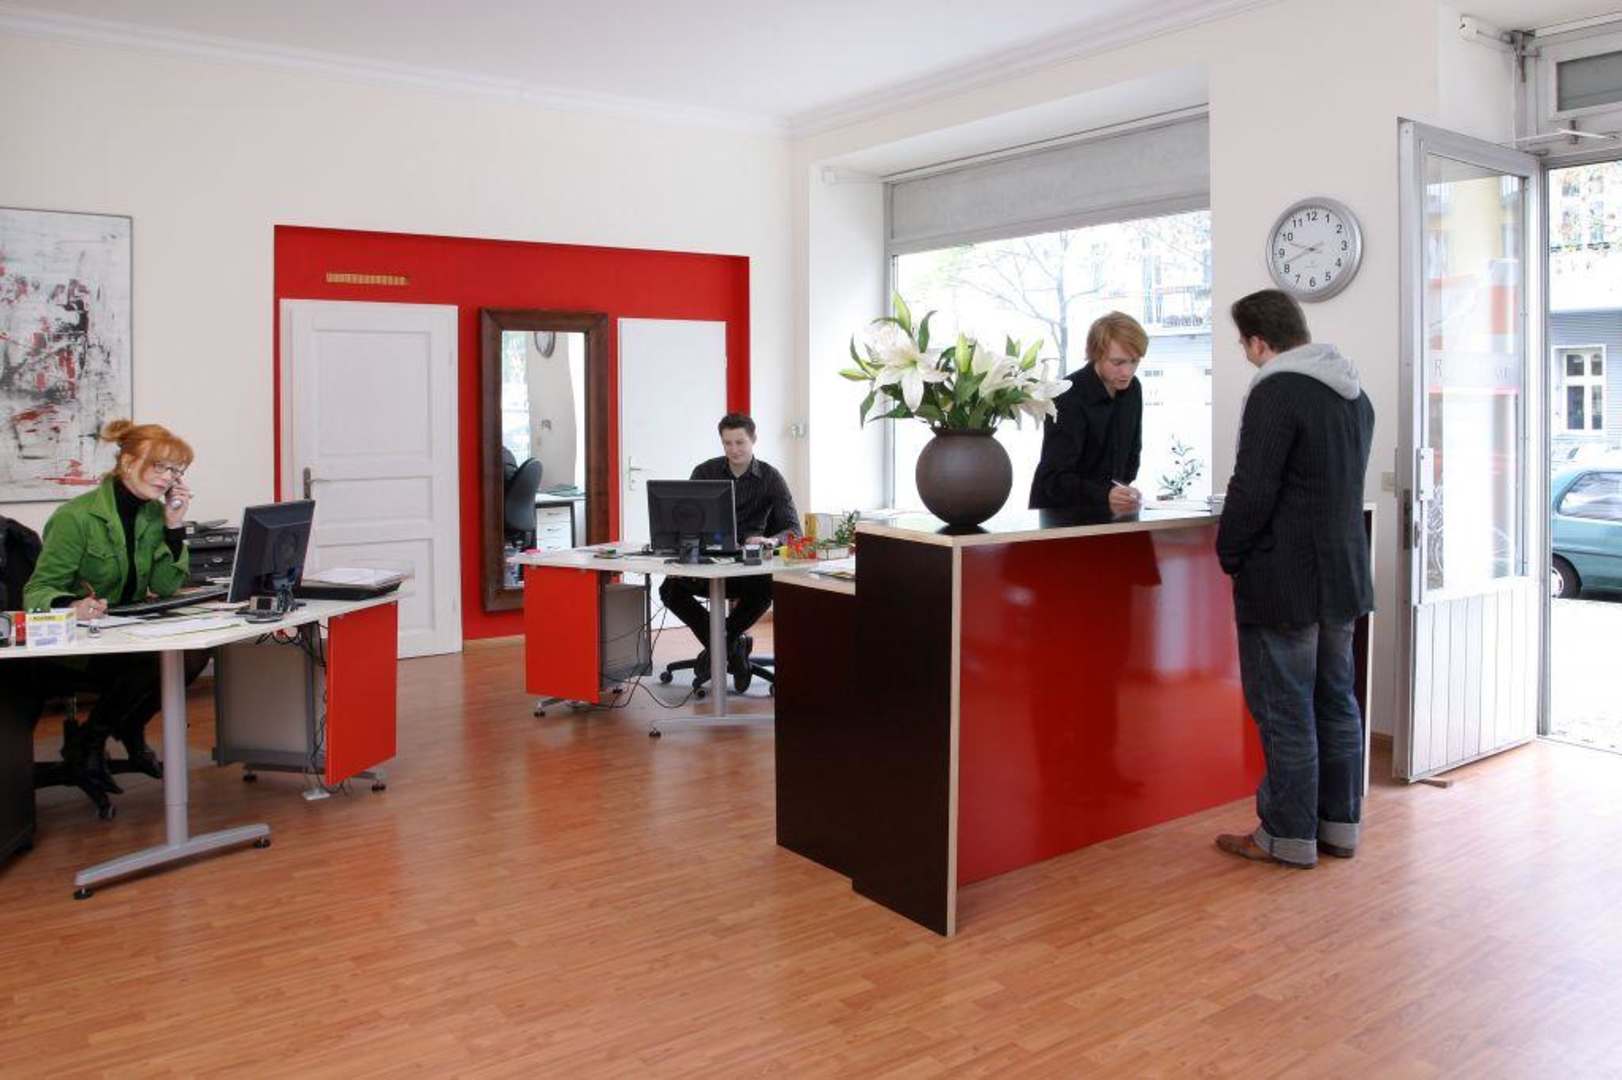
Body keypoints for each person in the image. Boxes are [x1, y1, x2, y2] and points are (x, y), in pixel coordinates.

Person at [1214, 290, 1375, 869]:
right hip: (1344, 574)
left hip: (1285, 578)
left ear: (1260, 342)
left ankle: (1286, 836)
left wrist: (1230, 551)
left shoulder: (1276, 391)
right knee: (1337, 701)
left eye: (1244, 344)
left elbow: (1253, 489)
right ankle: (1339, 827)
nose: (1246, 354)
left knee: (1287, 710)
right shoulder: (1355, 395)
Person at [22, 419, 209, 809]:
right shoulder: (76, 517)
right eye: (160, 466)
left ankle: (121, 728)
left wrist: (174, 527)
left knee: (192, 653)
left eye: (175, 470)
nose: (168, 478)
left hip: (124, 633)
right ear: (127, 462)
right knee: (151, 662)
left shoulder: (154, 516)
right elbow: (36, 592)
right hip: (79, 645)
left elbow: (166, 585)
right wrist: (71, 605)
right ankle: (90, 743)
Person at [657, 413, 800, 691]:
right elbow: (684, 519)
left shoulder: (770, 477)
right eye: (727, 443)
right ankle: (733, 648)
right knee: (670, 590)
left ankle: (720, 647)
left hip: (748, 569)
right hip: (707, 563)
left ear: (753, 440)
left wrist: (770, 540)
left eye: (740, 442)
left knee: (765, 588)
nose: (734, 450)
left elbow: (793, 529)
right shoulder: (704, 472)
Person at [1028, 312, 1148, 515]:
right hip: (1059, 514)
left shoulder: (1133, 389)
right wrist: (1105, 494)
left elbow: (1132, 455)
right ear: (1096, 354)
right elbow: (1054, 479)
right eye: (1118, 362)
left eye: (1134, 361)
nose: (1127, 372)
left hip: (1106, 511)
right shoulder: (1066, 395)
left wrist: (1123, 492)